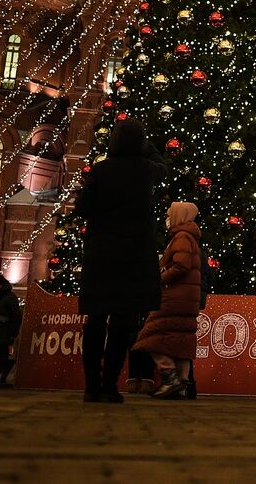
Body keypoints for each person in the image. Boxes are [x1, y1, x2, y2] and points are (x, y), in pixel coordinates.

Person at [74, 116, 162, 403]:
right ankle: (110, 385)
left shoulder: (100, 171)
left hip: (101, 255)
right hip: (134, 257)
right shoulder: (146, 171)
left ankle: (91, 386)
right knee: (123, 323)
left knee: (96, 320)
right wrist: (144, 147)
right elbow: (164, 167)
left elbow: (83, 207)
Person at [131, 202, 201, 399]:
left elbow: (181, 265)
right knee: (181, 340)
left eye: (170, 215)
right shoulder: (190, 237)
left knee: (150, 336)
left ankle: (171, 378)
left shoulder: (181, 237)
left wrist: (158, 279)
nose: (166, 219)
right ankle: (182, 385)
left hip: (174, 297)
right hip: (186, 299)